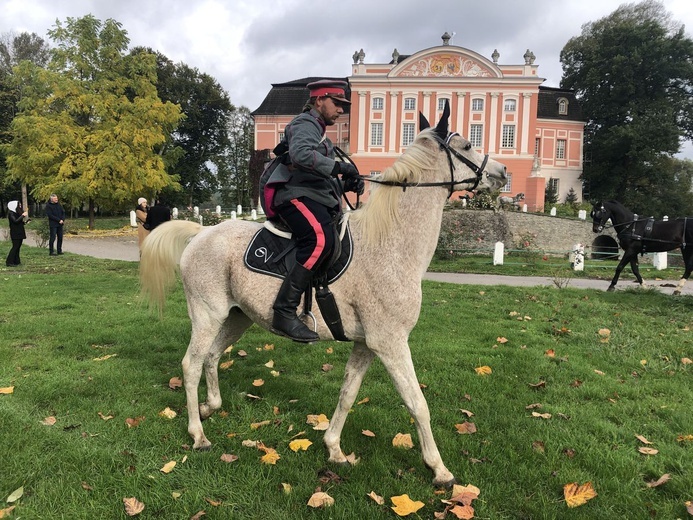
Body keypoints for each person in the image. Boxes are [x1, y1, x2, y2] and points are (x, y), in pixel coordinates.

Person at [263, 79, 364, 343]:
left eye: (343, 105)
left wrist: (347, 182)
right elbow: (301, 156)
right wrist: (341, 167)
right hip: (293, 196)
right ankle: (284, 311)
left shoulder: (320, 131)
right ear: (319, 100)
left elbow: (321, 180)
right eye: (337, 103)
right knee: (320, 239)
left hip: (310, 194)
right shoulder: (304, 124)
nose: (341, 110)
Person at [6, 200, 28, 267]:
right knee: (15, 247)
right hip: (15, 232)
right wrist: (22, 216)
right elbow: (15, 221)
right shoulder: (11, 213)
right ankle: (9, 262)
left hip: (20, 232)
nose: (20, 207)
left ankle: (16, 261)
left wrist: (26, 222)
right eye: (19, 205)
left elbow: (19, 222)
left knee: (18, 247)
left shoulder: (16, 213)